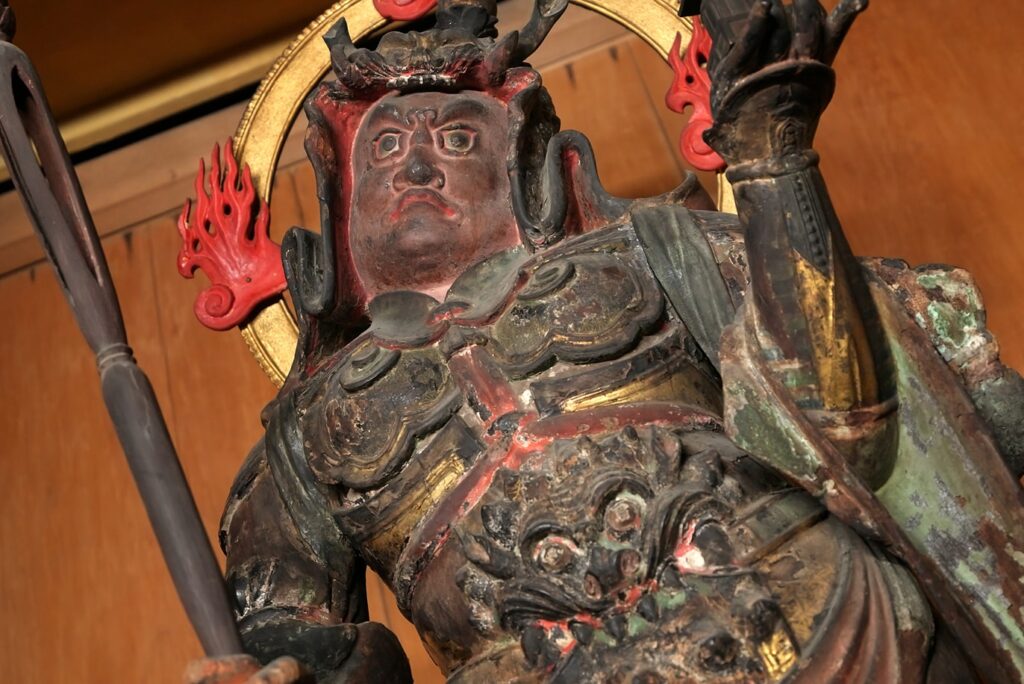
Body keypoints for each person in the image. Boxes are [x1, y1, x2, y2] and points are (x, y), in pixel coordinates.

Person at [188, 0, 1024, 681]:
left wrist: (773, 160)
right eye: (387, 149)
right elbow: (288, 629)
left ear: (528, 167)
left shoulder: (653, 255)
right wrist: (290, 665)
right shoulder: (307, 426)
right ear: (340, 204)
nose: (414, 169)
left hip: (805, 610)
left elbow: (849, 411)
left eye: (456, 139)